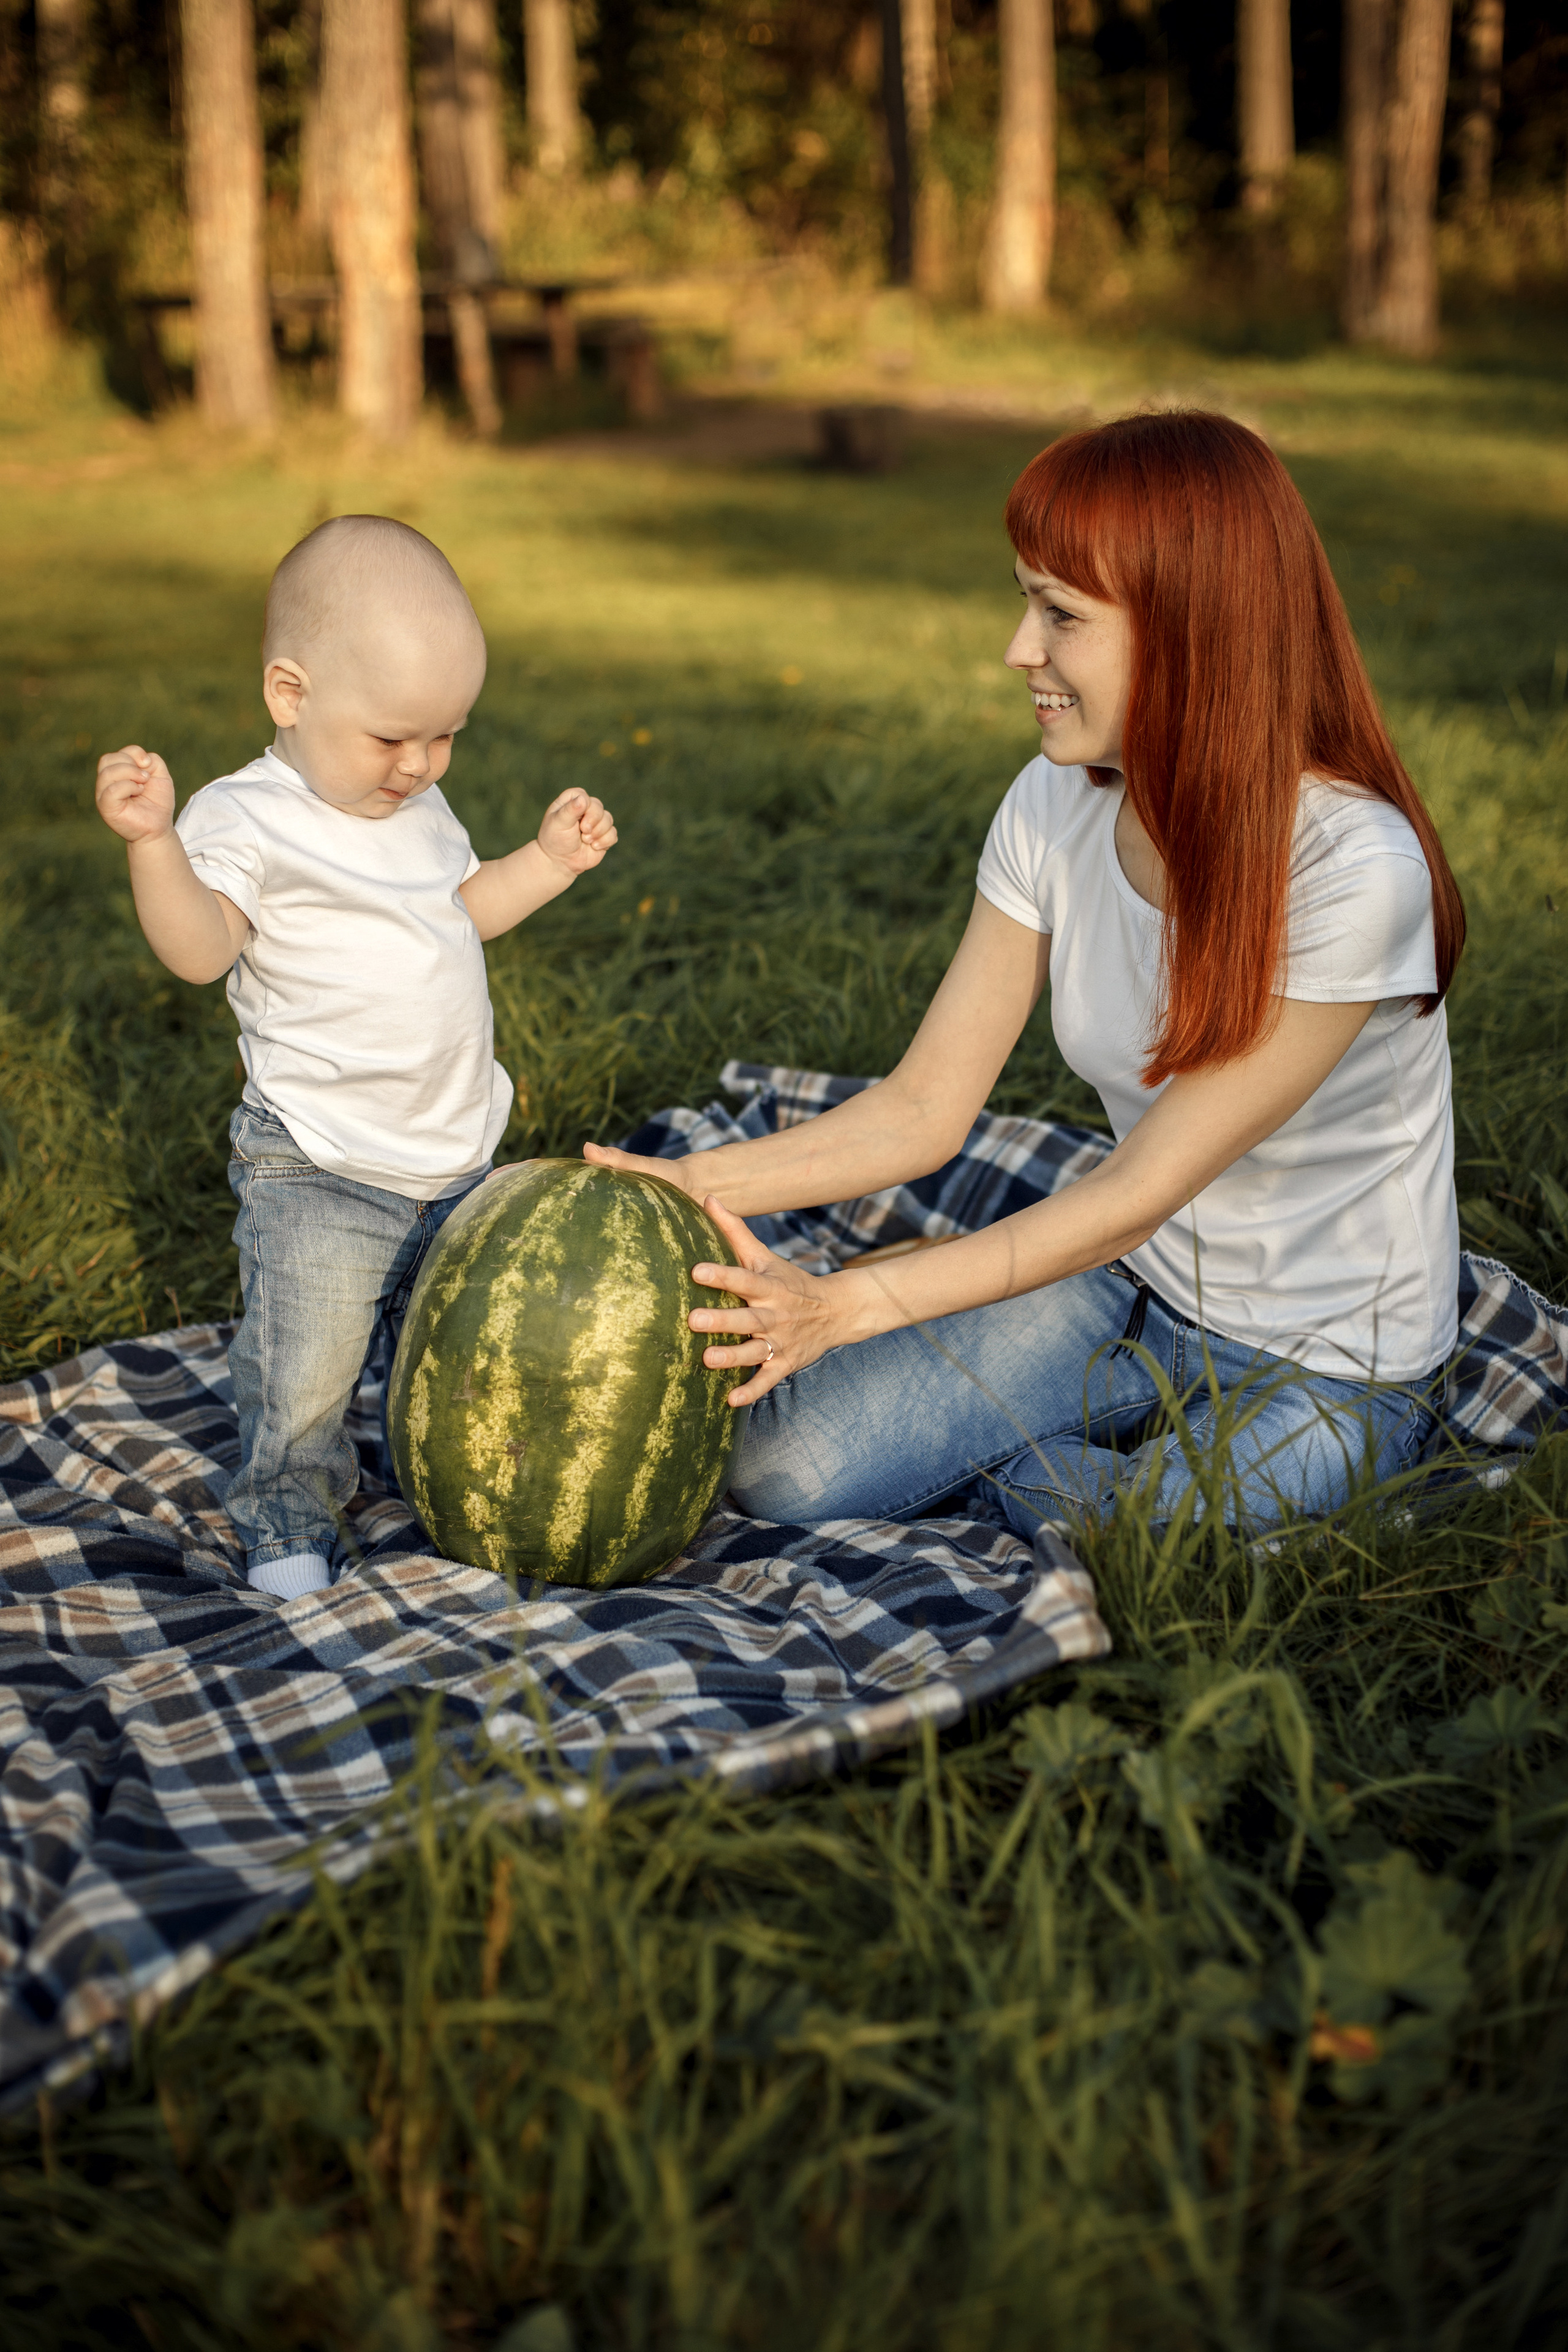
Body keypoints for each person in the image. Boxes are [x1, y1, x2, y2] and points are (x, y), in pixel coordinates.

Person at [587, 412, 1466, 1538]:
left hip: (1332, 1361)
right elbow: (920, 1110)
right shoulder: (1054, 805)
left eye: (1062, 615)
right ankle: (1047, 1451)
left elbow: (1133, 1190)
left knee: (1155, 1552)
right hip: (1130, 1288)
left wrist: (852, 1307)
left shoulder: (1355, 869)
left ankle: (1057, 1473)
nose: (1019, 649)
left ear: (1196, 633)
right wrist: (676, 1188)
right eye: (1026, 601)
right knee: (783, 1472)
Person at [94, 515, 617, 1595]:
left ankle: (463, 1490)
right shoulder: (248, 819)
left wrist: (546, 864)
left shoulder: (417, 806)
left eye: (447, 736)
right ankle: (288, 1516)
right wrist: (155, 847)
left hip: (454, 1156)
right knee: (306, 1372)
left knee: (466, 1356)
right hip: (323, 1167)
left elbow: (458, 915)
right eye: (393, 737)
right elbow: (199, 952)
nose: (422, 765)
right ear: (292, 695)